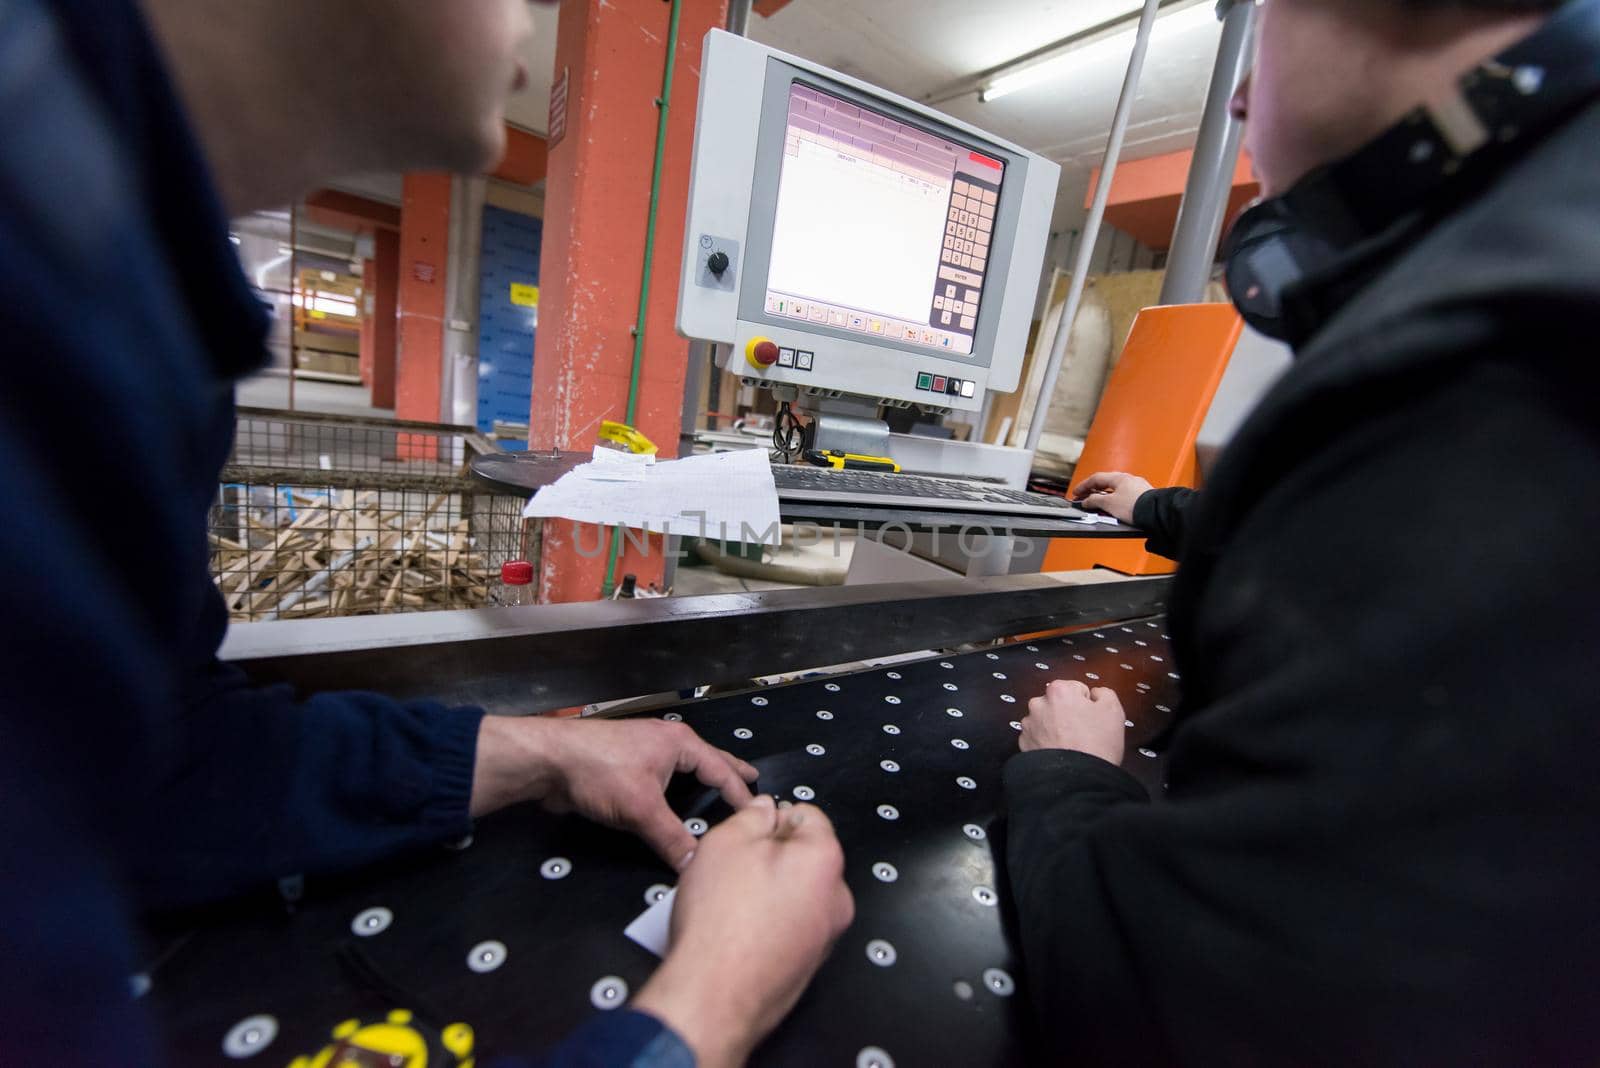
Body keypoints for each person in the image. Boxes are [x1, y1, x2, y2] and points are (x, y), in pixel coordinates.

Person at [0, 0, 851, 1064]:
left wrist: (545, 753)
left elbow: (159, 772)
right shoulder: (38, 291)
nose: (533, 16)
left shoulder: (123, 297)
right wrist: (713, 997)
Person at [1005, 0, 1600, 1062]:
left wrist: (1066, 779)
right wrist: (1151, 508)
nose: (1238, 92)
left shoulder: (1493, 362)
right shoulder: (1548, 233)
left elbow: (1190, 1001)